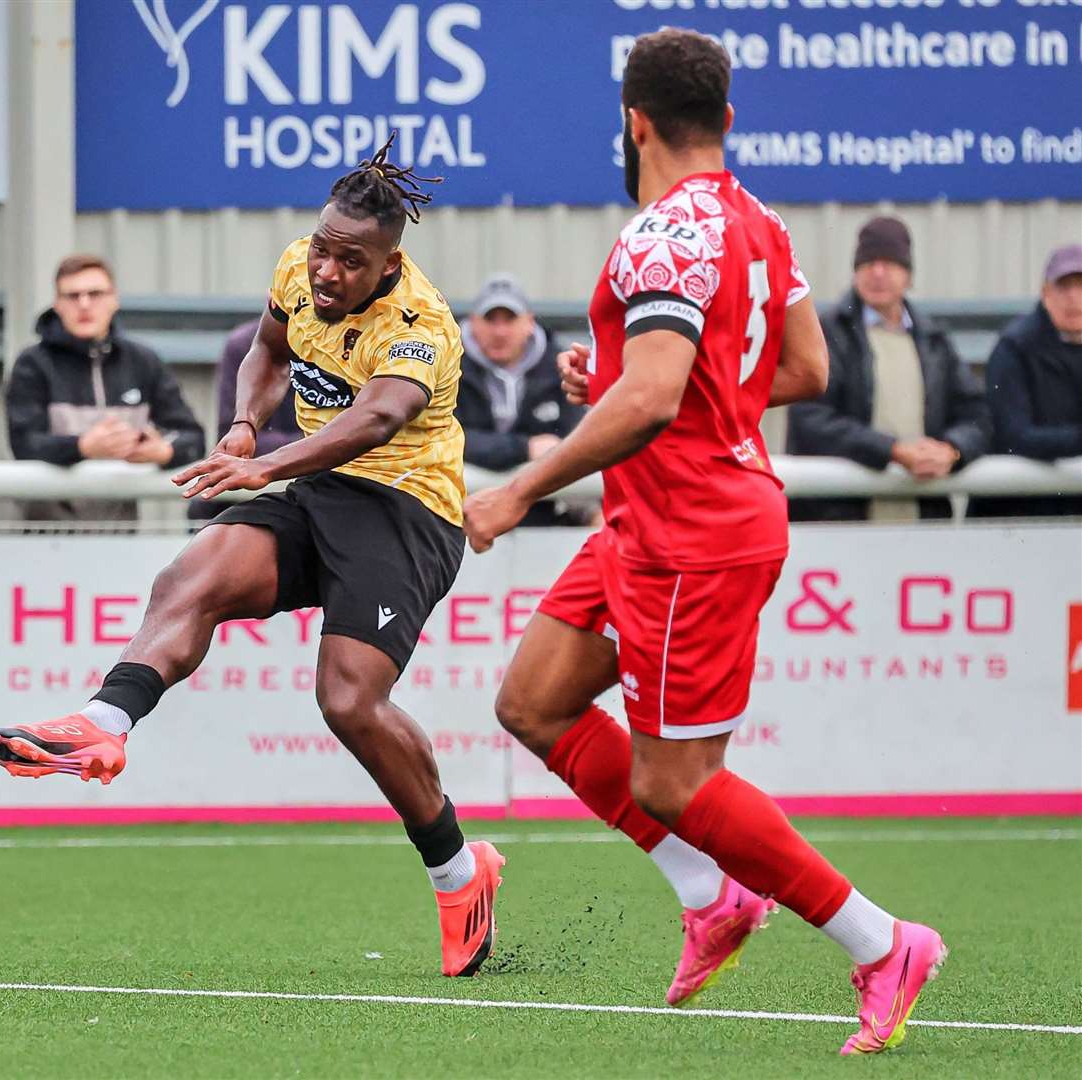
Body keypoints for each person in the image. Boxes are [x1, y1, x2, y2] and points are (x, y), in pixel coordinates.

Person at [462, 29, 944, 1055]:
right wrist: (658, 387)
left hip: (694, 531)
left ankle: (882, 943)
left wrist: (520, 489)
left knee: (673, 782)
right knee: (532, 701)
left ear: (633, 122)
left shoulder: (660, 235)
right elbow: (805, 368)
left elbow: (656, 398)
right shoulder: (758, 223)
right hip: (656, 516)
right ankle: (710, 895)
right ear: (726, 119)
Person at [0, 136, 504, 978]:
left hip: (407, 511)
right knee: (195, 572)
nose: (327, 272)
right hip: (316, 486)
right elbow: (269, 347)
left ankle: (457, 872)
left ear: (388, 264)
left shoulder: (420, 328)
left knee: (348, 700)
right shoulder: (302, 264)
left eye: (350, 261)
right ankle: (103, 723)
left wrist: (258, 465)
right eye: (324, 249)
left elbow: (372, 422)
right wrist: (242, 426)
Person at [786, 216, 990, 521]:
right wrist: (891, 451)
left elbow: (978, 415)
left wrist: (952, 450)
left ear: (909, 275)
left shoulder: (934, 341)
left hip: (922, 517)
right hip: (838, 520)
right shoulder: (826, 333)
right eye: (868, 263)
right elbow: (810, 418)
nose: (878, 273)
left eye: (890, 263)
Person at [6, 255, 205, 521]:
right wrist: (82, 447)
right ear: (57, 304)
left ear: (115, 300)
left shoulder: (142, 361)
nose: (84, 304)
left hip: (120, 534)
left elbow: (193, 437)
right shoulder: (32, 364)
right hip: (45, 535)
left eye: (95, 294)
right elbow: (24, 443)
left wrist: (163, 451)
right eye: (73, 295)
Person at [457, 273, 587, 526]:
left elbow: (580, 440)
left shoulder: (560, 367)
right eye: (490, 319)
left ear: (529, 322)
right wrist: (526, 448)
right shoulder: (448, 367)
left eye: (509, 319)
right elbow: (444, 440)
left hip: (543, 514)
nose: (500, 331)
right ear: (472, 323)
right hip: (459, 514)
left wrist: (589, 512)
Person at [971, 243, 1082, 518]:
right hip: (1018, 518)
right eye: (1064, 287)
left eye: (1081, 287)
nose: (1075, 299)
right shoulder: (1014, 349)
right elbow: (1014, 436)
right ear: (1045, 294)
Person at [188, 318, 304, 522]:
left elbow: (356, 434)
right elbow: (230, 439)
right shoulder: (243, 344)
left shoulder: (354, 340)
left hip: (327, 475)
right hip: (265, 474)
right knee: (204, 503)